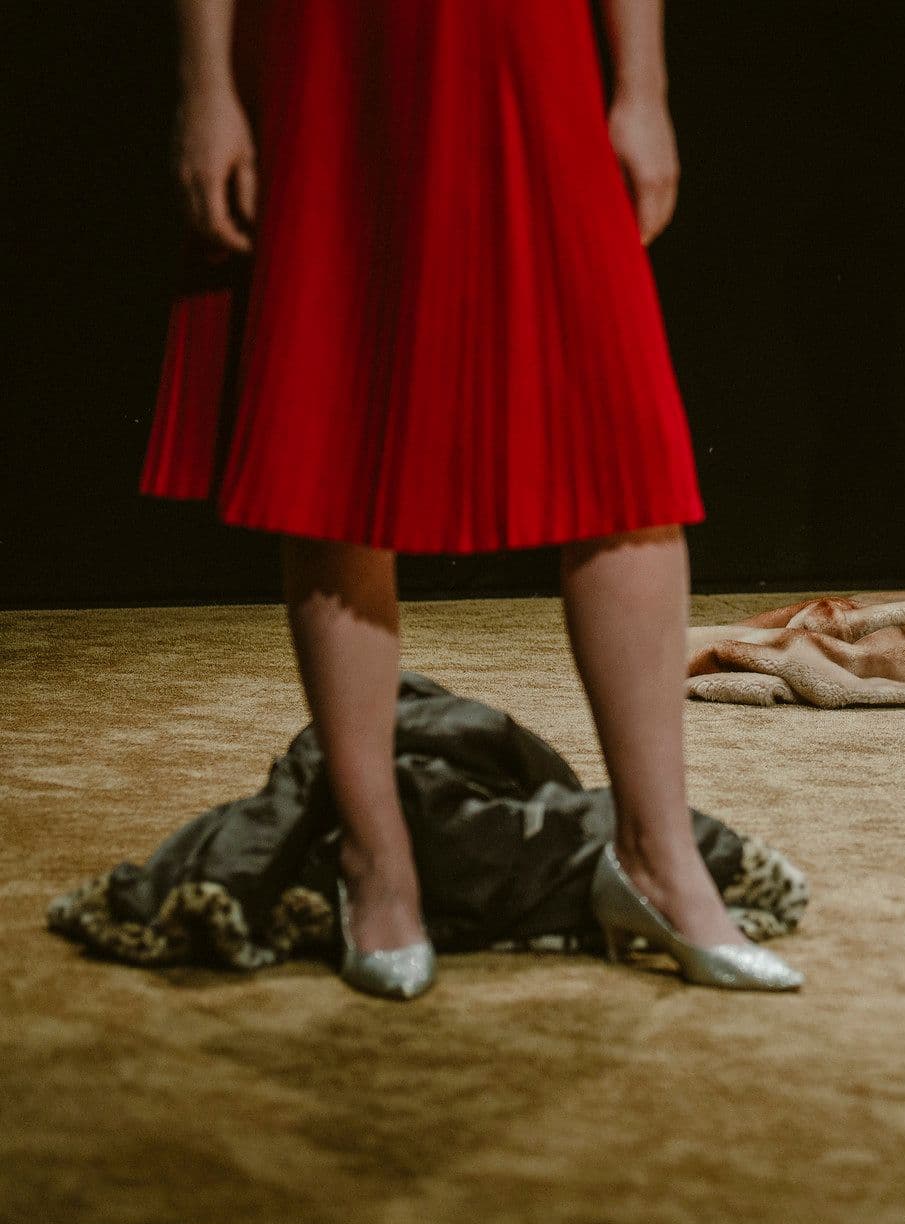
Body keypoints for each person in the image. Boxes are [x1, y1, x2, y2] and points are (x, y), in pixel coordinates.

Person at [150, 0, 800, 998]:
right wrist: (207, 86)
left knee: (618, 438)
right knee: (336, 423)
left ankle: (657, 857)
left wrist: (642, 89)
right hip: (329, 42)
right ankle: (376, 862)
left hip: (526, 36)